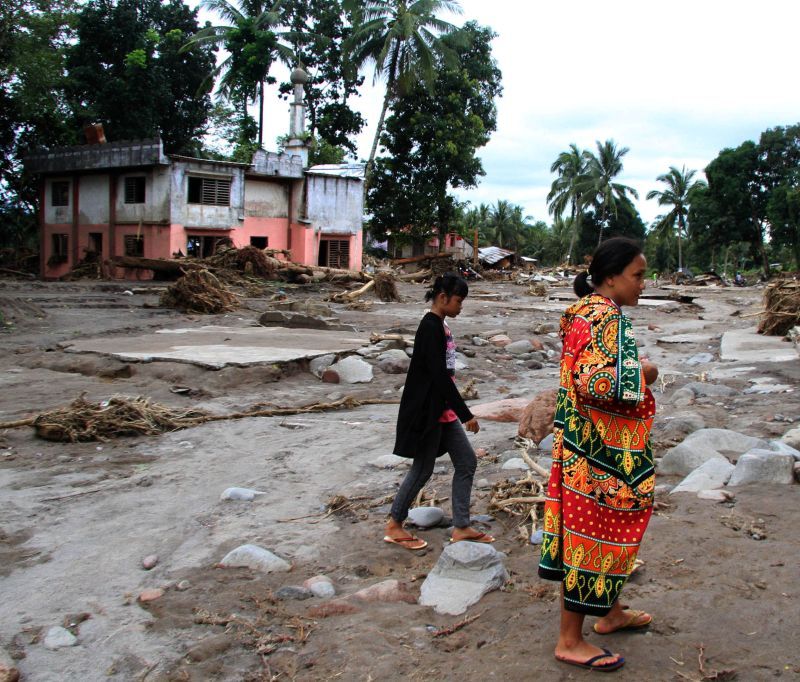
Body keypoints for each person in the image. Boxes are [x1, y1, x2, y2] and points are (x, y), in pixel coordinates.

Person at [538, 237, 658, 673]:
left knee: (596, 533)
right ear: (610, 277)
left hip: (578, 445)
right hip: (599, 456)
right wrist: (642, 373)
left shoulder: (583, 312)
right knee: (595, 535)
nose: (644, 284)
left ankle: (611, 611)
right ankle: (570, 640)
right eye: (638, 275)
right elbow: (592, 382)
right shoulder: (606, 318)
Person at [383, 273, 493, 550]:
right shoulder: (429, 327)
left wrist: (456, 411)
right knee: (422, 470)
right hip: (428, 411)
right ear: (443, 298)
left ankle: (462, 526)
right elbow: (438, 376)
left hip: (442, 411)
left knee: (466, 462)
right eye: (458, 300)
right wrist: (466, 413)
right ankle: (394, 524)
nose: (461, 306)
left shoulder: (440, 325)